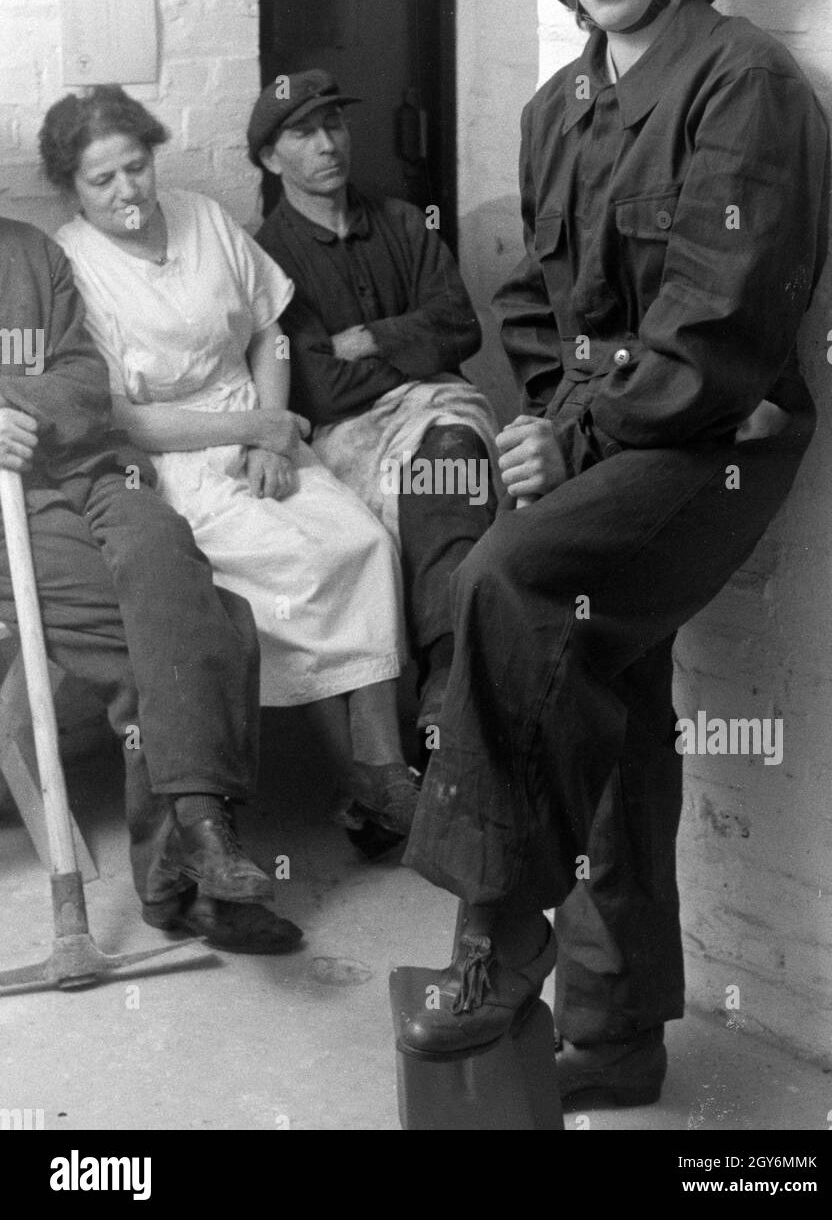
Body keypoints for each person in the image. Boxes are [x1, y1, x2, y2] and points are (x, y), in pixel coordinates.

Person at [394, 0, 830, 1086]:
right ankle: (618, 1029)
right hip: (611, 434)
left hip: (714, 441)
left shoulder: (743, 82)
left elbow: (716, 336)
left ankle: (499, 923)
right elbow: (533, 304)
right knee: (611, 699)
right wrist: (545, 420)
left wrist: (569, 431)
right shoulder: (554, 109)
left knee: (510, 586)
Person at [38, 86, 418, 843]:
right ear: (72, 189)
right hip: (170, 460)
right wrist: (254, 427)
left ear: (154, 159)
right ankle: (364, 782)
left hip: (262, 432)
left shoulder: (201, 216)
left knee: (361, 543)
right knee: (291, 569)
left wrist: (270, 440)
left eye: (136, 167)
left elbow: (269, 332)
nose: (128, 192)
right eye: (102, 180)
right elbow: (121, 417)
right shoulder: (71, 262)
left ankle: (383, 769)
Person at [0, 213, 300, 955]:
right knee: (194, 626)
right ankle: (192, 874)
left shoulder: (30, 252)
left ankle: (192, 850)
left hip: (88, 473)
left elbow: (83, 392)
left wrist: (18, 406)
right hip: (4, 516)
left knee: (177, 572)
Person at [249, 72, 499, 742]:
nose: (327, 143)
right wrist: (414, 344)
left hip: (436, 408)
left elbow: (461, 327)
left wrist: (367, 340)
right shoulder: (267, 255)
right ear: (271, 159)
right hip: (344, 433)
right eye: (303, 132)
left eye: (334, 123)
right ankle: (426, 710)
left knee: (450, 460)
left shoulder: (402, 222)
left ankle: (449, 675)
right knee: (411, 496)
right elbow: (319, 389)